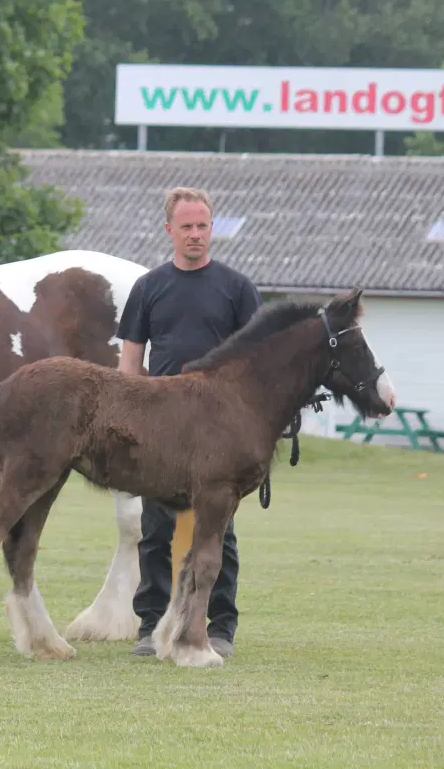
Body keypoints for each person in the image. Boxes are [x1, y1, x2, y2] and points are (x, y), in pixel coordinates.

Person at [116, 186, 262, 660]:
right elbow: (130, 364)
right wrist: (129, 423)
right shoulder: (148, 287)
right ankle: (150, 626)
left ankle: (220, 627)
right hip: (163, 428)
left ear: (211, 228)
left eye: (202, 225)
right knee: (155, 528)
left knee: (219, 530)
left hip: (220, 433)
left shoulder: (238, 289)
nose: (195, 234)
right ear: (169, 230)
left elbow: (255, 362)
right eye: (186, 227)